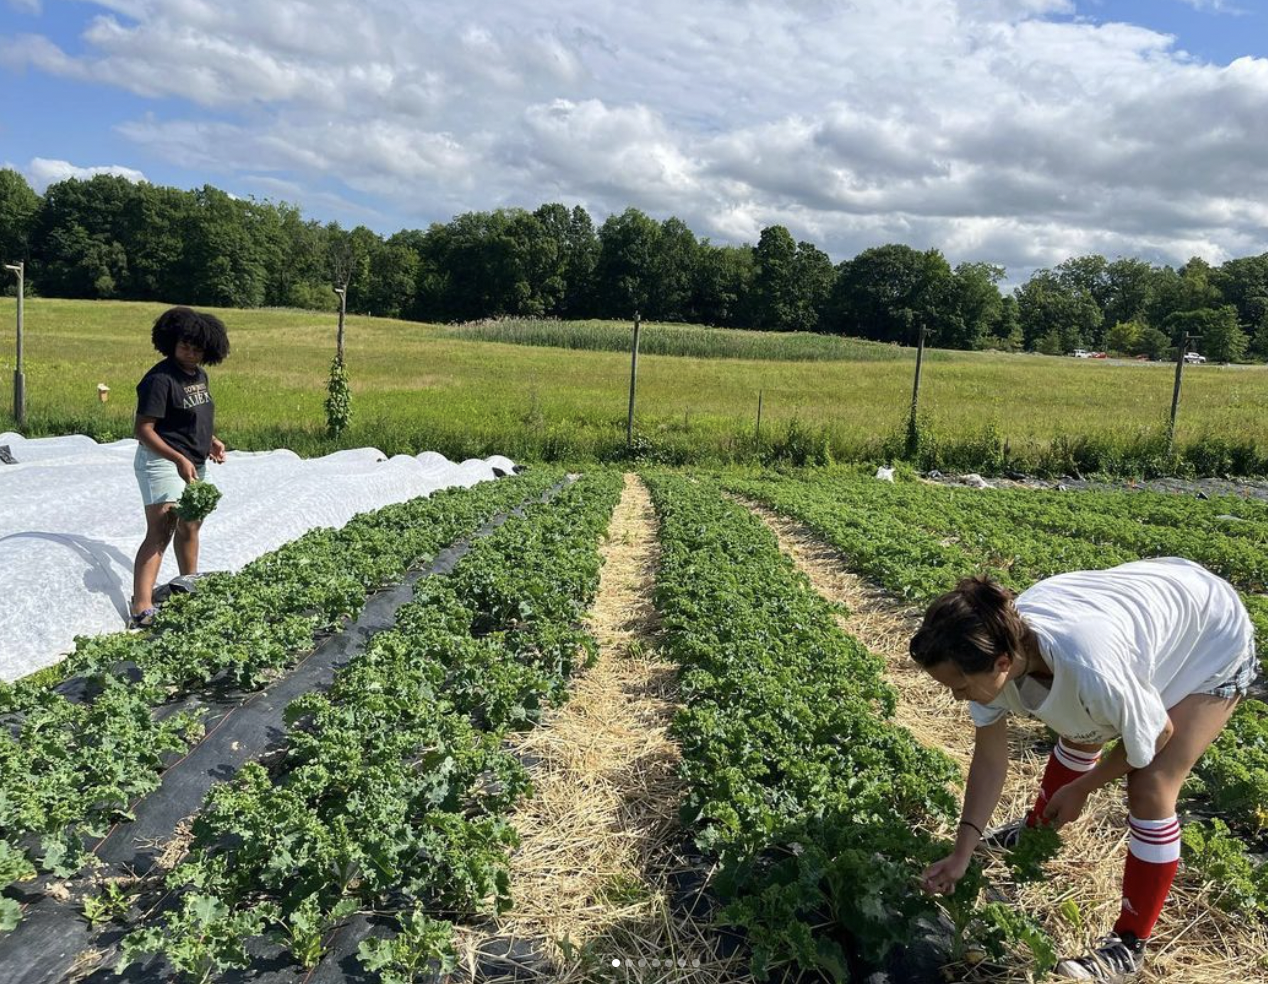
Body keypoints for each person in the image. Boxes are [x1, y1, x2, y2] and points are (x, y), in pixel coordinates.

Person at [908, 558, 1258, 981]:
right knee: (1080, 723)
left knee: (1150, 784)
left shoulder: (1090, 667)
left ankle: (1129, 946)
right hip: (1150, 610)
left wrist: (1085, 787)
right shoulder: (1004, 648)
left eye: (960, 686)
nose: (957, 696)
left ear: (1003, 663)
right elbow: (989, 760)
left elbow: (1157, 735)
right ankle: (1036, 828)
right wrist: (963, 850)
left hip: (1210, 634)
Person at [130, 307, 230, 628]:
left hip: (193, 461)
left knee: (190, 526)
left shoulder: (199, 376)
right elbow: (144, 430)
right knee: (162, 529)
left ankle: (189, 584)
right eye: (185, 344)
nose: (190, 351)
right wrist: (178, 459)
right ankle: (142, 605)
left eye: (197, 347)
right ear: (172, 342)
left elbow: (190, 416)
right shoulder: (159, 379)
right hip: (161, 460)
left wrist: (210, 441)